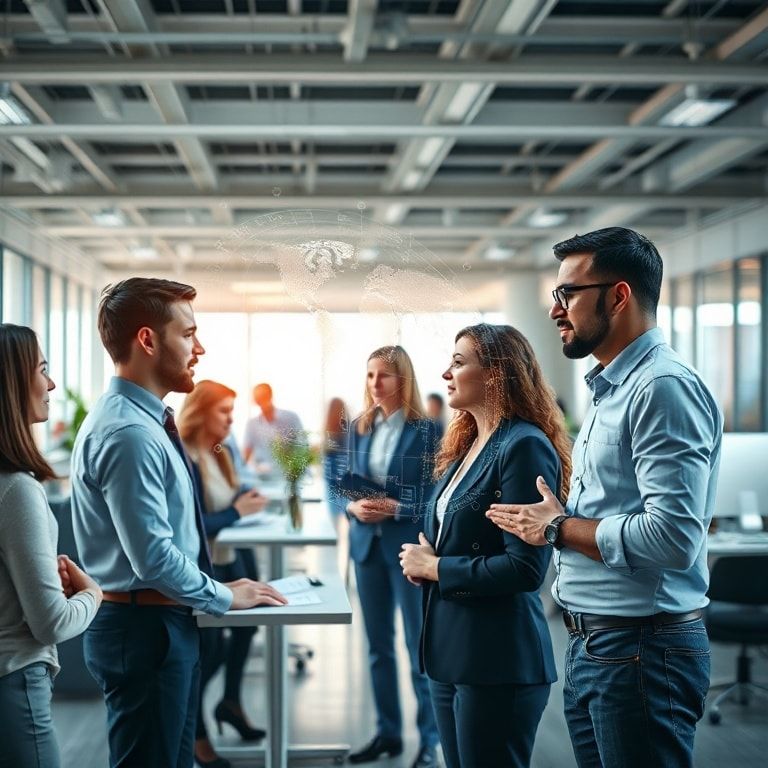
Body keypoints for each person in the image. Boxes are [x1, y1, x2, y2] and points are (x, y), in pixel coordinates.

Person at [486, 227, 723, 768]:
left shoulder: (661, 388)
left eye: (568, 293)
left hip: (642, 652)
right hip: (600, 646)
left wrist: (556, 527)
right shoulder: (612, 387)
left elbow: (673, 537)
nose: (555, 310)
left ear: (618, 296)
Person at [70, 278, 286, 768]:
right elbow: (153, 555)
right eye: (188, 334)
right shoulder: (130, 433)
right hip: (145, 628)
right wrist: (224, 594)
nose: (199, 348)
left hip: (157, 621)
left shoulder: (144, 422)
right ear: (147, 340)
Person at [399, 324, 570, 768]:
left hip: (496, 660)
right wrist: (426, 561)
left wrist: (437, 568)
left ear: (494, 373)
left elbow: (525, 569)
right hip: (451, 654)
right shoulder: (470, 444)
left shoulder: (524, 446)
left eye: (459, 362)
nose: (445, 373)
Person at [0, 323, 102, 768]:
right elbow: (52, 624)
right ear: (12, 383)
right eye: (42, 369)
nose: (52, 383)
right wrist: (91, 594)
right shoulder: (17, 491)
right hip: (16, 682)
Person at [340, 346, 440, 768]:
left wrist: (395, 508)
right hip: (366, 548)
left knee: (419, 647)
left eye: (384, 375)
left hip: (406, 549)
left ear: (404, 380)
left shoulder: (429, 431)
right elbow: (340, 484)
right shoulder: (361, 428)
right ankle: (388, 733)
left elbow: (437, 497)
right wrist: (351, 507)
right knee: (377, 647)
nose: (374, 383)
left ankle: (430, 741)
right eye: (369, 375)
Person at [178, 380, 269, 768]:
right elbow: (195, 522)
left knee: (249, 627)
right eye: (224, 412)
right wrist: (237, 512)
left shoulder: (218, 452)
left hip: (231, 556)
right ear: (201, 412)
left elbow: (228, 497)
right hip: (206, 563)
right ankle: (196, 732)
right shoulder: (185, 456)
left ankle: (230, 702)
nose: (232, 420)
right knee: (209, 651)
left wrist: (242, 502)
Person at [242, 383, 304, 475]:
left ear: (271, 395)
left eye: (264, 397)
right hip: (263, 475)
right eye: (258, 399)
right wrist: (240, 473)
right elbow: (246, 452)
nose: (261, 402)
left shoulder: (291, 418)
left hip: (288, 474)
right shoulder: (252, 424)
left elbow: (302, 446)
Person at [323, 397, 350, 520]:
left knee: (336, 524)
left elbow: (327, 469)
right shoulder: (350, 432)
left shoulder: (328, 435)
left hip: (332, 489)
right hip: (347, 488)